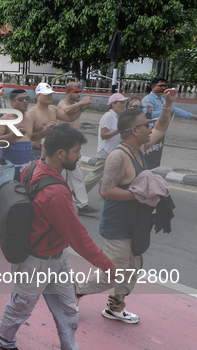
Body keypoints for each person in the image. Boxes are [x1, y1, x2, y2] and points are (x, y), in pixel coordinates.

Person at [0, 123, 116, 350]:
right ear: (61, 153)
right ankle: (4, 343)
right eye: (76, 150)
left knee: (69, 308)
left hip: (56, 257)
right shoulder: (56, 192)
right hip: (36, 261)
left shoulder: (32, 167)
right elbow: (78, 237)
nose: (79, 155)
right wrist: (107, 266)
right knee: (21, 306)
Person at [76, 89, 177, 323]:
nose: (149, 128)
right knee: (113, 273)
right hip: (117, 226)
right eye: (145, 125)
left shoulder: (139, 148)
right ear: (134, 130)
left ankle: (115, 306)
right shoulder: (118, 157)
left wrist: (168, 105)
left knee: (132, 268)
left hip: (136, 224)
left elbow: (161, 128)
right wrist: (141, 194)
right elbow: (105, 191)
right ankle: (73, 290)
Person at [57, 82, 98, 215]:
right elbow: (67, 111)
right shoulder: (62, 103)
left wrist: (84, 105)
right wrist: (82, 104)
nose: (78, 94)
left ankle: (82, 204)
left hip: (73, 146)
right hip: (62, 146)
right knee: (56, 174)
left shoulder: (75, 105)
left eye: (79, 91)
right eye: (75, 91)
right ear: (67, 92)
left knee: (76, 175)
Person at [28, 82, 89, 160]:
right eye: (46, 94)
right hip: (36, 152)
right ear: (38, 96)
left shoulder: (53, 109)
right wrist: (43, 132)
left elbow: (70, 118)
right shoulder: (32, 113)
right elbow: (28, 137)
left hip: (51, 151)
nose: (49, 96)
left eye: (51, 94)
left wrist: (82, 108)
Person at [83, 93, 129, 193]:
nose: (123, 104)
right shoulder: (108, 116)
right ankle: (78, 192)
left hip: (113, 151)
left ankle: (104, 192)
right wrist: (118, 131)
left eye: (124, 102)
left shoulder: (116, 116)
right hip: (106, 151)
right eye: (121, 102)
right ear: (113, 104)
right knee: (96, 175)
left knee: (109, 174)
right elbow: (103, 135)